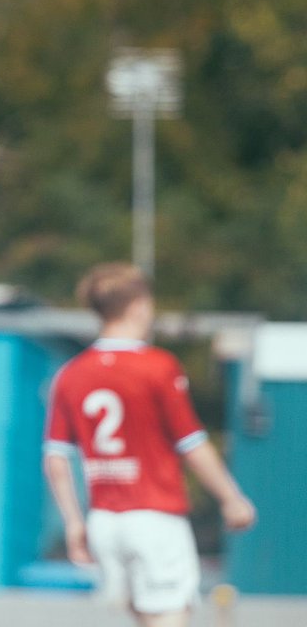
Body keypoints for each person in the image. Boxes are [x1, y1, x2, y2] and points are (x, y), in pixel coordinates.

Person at [43, 263, 257, 627]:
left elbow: (56, 458)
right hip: (154, 517)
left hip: (104, 521)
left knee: (144, 618)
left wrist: (73, 521)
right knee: (170, 616)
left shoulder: (72, 373)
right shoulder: (158, 366)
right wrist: (230, 497)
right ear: (139, 305)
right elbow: (192, 443)